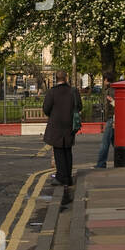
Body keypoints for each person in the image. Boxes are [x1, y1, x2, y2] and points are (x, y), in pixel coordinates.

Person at [43, 69, 82, 206]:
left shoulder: (52, 92)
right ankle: (68, 177)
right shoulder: (73, 91)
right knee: (68, 151)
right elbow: (80, 106)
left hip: (56, 126)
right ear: (66, 78)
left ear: (56, 78)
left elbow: (46, 109)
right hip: (70, 125)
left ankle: (61, 177)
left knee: (59, 152)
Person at [95, 91, 115, 168]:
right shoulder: (112, 90)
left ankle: (101, 163)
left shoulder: (110, 91)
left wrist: (112, 101)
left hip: (111, 119)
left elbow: (118, 105)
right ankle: (121, 159)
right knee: (115, 142)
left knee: (105, 142)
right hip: (113, 119)